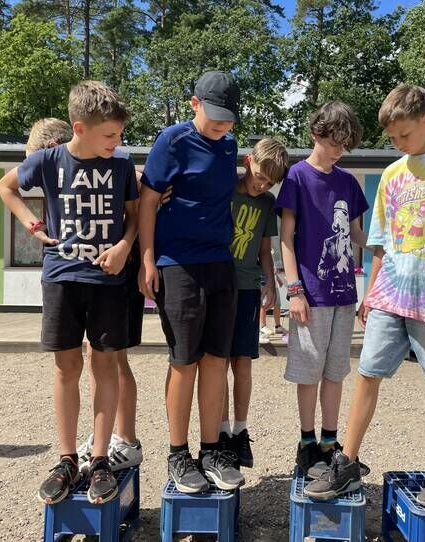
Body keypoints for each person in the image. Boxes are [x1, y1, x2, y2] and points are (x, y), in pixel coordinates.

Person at [304, 84, 425, 508]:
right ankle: (347, 462)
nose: (398, 144)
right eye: (392, 138)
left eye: (404, 135)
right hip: (391, 296)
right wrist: (371, 293)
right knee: (368, 373)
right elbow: (381, 245)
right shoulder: (392, 175)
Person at [0, 81, 138, 504]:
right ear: (79, 128)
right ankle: (67, 459)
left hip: (107, 281)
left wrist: (124, 246)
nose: (117, 142)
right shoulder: (47, 160)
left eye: (119, 134)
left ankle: (100, 459)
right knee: (66, 368)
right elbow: (5, 187)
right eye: (109, 134)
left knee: (105, 366)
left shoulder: (122, 166)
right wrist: (30, 223)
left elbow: (134, 217)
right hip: (61, 276)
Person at [138, 71, 245, 493]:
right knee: (184, 361)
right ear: (194, 104)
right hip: (178, 263)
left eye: (229, 118)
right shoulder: (172, 141)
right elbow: (147, 202)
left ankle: (212, 450)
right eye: (215, 116)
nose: (222, 125)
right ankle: (178, 454)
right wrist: (147, 261)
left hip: (221, 262)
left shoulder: (230, 146)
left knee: (217, 360)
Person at [24, 118, 151, 475]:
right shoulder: (70, 163)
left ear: (54, 148)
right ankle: (104, 438)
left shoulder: (116, 162)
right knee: (97, 358)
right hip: (86, 268)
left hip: (117, 268)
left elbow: (140, 194)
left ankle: (124, 440)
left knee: (111, 359)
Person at [275, 101, 369, 479]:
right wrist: (294, 291)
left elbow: (358, 235)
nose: (338, 151)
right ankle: (307, 444)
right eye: (334, 143)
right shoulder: (296, 177)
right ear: (316, 133)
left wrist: (386, 245)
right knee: (309, 372)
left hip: (344, 296)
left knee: (335, 372)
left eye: (344, 145)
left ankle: (330, 443)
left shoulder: (348, 182)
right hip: (310, 295)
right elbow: (285, 238)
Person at [220, 137, 289, 468]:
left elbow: (264, 249)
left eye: (269, 182)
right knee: (218, 362)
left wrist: (270, 283)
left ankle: (240, 430)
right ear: (248, 161)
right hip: (219, 284)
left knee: (242, 362)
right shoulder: (224, 188)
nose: (261, 185)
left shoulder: (267, 203)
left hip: (248, 287)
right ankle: (220, 431)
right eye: (260, 176)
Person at [259, 235, 288, 344]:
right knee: (264, 303)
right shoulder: (265, 249)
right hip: (265, 280)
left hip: (274, 278)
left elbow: (276, 265)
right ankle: (262, 326)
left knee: (277, 304)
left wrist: (279, 278)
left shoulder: (274, 250)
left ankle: (277, 326)